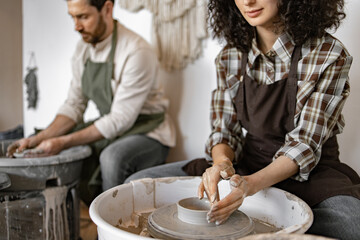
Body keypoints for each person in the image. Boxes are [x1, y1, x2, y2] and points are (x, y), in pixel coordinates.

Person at [125, 0, 360, 239]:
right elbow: (224, 132)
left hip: (309, 174)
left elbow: (304, 145)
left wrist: (249, 187)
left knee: (351, 224)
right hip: (248, 164)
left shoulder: (328, 54)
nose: (247, 1)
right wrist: (221, 164)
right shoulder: (231, 56)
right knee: (136, 183)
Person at [7, 0, 175, 205]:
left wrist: (62, 141)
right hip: (113, 124)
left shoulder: (136, 51)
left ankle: (109, 232)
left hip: (149, 131)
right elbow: (74, 105)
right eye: (73, 17)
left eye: (83, 17)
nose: (76, 26)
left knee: (112, 158)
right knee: (40, 141)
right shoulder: (83, 50)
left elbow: (120, 119)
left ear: (107, 9)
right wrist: (40, 138)